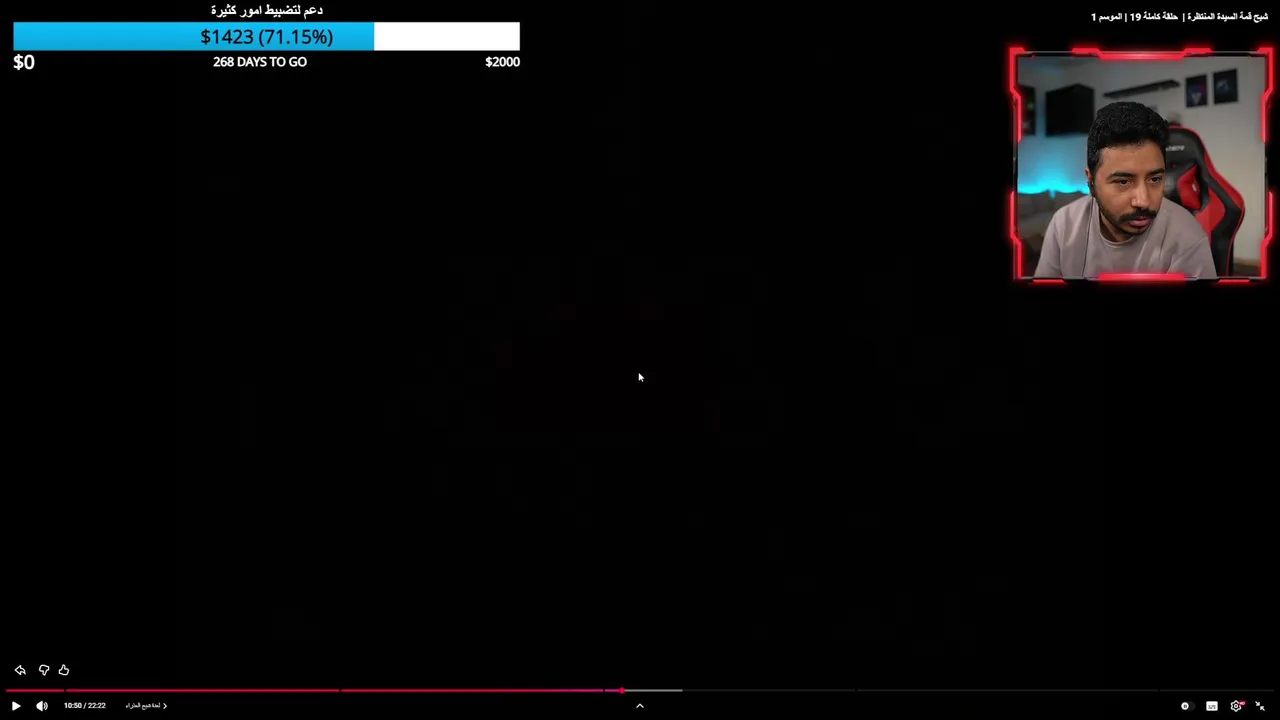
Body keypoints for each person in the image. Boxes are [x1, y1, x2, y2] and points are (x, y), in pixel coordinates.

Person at [1034, 102, 1217, 278]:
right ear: (1091, 182)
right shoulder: (1064, 226)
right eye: (1123, 182)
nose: (1143, 201)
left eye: (1155, 179)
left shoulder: (1188, 238)